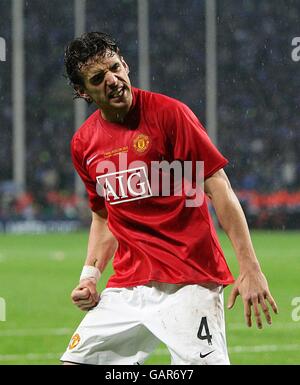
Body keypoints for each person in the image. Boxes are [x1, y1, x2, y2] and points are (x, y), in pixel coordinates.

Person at [60, 32, 278, 365]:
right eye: (98, 78)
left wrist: (249, 266)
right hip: (128, 285)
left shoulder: (170, 115)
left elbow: (218, 187)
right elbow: (104, 217)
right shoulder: (84, 143)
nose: (113, 80)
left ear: (126, 64)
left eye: (115, 68)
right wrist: (89, 278)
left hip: (189, 281)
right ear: (82, 91)